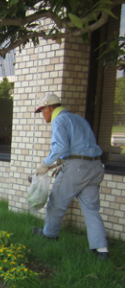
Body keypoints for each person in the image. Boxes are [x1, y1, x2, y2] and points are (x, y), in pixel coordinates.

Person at [31, 93, 108, 260]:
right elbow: (81, 147)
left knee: (56, 201)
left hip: (77, 168)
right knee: (91, 209)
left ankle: (50, 235)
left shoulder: (59, 120)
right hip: (95, 167)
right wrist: (62, 162)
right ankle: (101, 250)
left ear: (49, 108)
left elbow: (61, 145)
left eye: (42, 111)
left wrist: (45, 164)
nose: (42, 114)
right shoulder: (78, 119)